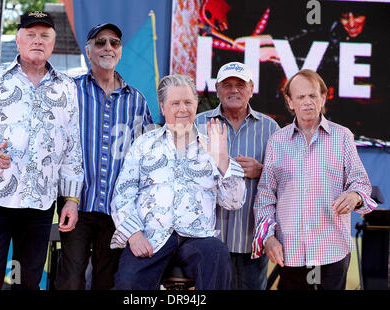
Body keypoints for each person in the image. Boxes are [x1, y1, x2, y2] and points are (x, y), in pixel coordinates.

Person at [0, 23, 154, 290]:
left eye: (114, 43)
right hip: (77, 202)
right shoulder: (68, 89)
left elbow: (148, 154)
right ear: (88, 50)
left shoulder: (137, 100)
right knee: (69, 280)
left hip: (118, 207)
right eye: (100, 42)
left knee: (107, 281)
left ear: (120, 51)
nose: (107, 47)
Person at [0, 11, 84, 290]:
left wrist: (71, 198)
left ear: (53, 42)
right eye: (31, 34)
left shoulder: (67, 88)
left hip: (40, 204)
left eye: (44, 35)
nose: (37, 40)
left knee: (27, 281)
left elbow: (72, 149)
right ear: (18, 39)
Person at [110, 74, 247, 290]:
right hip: (151, 236)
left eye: (188, 102)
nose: (182, 109)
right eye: (175, 103)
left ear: (196, 105)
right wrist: (134, 234)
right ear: (163, 108)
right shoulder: (144, 144)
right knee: (128, 281)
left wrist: (222, 160)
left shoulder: (213, 145)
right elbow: (122, 194)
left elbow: (234, 202)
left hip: (198, 237)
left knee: (217, 256)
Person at [252, 69, 377, 290]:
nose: (307, 102)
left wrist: (355, 196)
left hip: (331, 248)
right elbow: (264, 198)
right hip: (290, 251)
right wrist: (268, 237)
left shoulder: (342, 137)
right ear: (290, 102)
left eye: (312, 95)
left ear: (323, 97)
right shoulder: (277, 142)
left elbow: (361, 183)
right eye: (300, 97)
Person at [194, 62, 279, 290]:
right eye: (227, 85)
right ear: (218, 90)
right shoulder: (198, 124)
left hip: (251, 238)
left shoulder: (270, 128)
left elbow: (286, 181)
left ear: (251, 89)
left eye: (240, 85)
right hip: (209, 240)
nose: (234, 90)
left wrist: (262, 171)